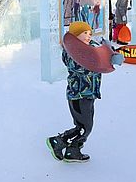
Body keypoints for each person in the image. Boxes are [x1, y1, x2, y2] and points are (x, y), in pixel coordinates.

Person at [46, 21, 123, 163]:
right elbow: (86, 67)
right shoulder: (71, 53)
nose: (88, 36)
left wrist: (110, 54)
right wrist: (102, 60)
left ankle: (73, 151)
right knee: (84, 127)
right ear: (75, 36)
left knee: (85, 125)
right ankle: (57, 141)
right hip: (78, 95)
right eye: (84, 33)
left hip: (89, 94)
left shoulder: (91, 47)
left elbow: (100, 55)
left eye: (89, 33)